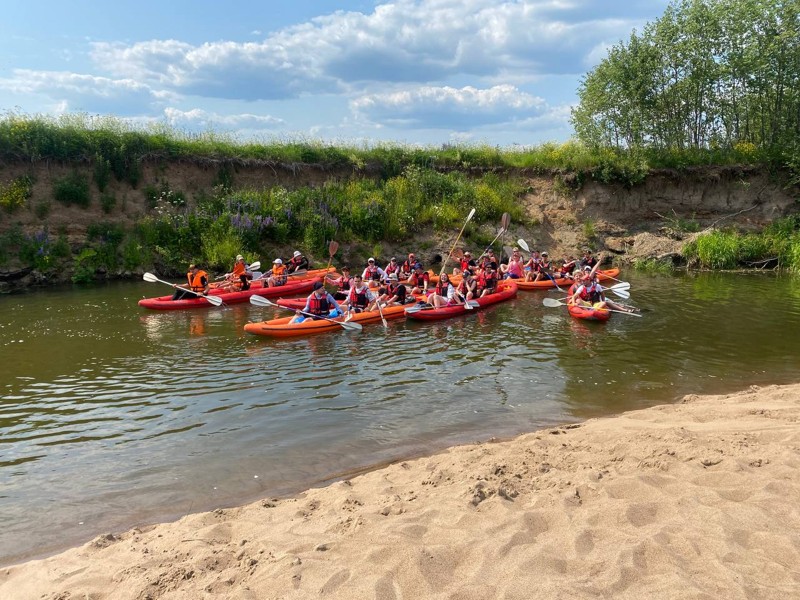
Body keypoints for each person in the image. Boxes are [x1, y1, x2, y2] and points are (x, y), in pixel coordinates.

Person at [569, 268, 634, 313]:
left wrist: (603, 302)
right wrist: (573, 302)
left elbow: (602, 294)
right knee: (577, 301)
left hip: (596, 303)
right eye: (576, 276)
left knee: (606, 302)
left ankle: (624, 309)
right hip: (587, 303)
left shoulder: (597, 286)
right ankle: (588, 311)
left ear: (588, 280)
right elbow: (574, 296)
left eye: (584, 280)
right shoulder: (581, 287)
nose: (582, 281)